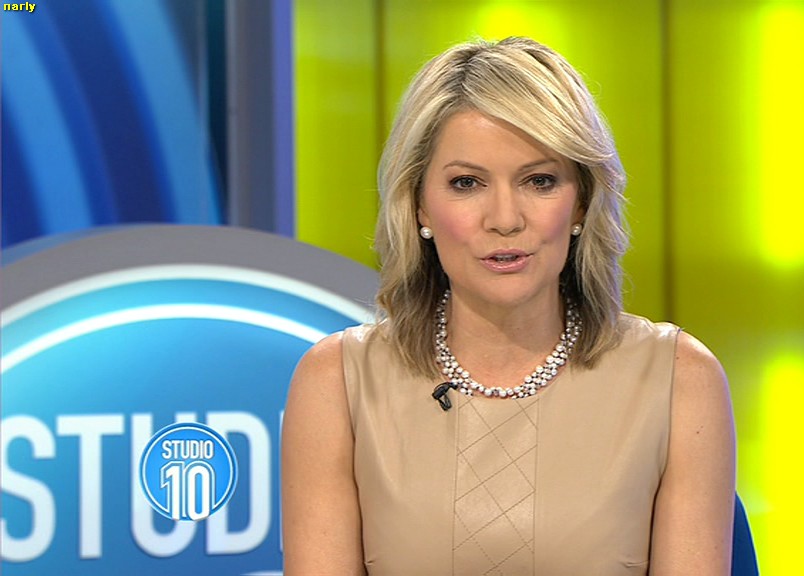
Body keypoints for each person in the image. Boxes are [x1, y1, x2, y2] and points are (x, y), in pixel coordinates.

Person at [281, 37, 736, 575]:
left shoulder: (678, 378)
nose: (504, 219)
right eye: (466, 183)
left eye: (539, 181)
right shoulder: (337, 382)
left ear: (581, 203)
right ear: (419, 204)